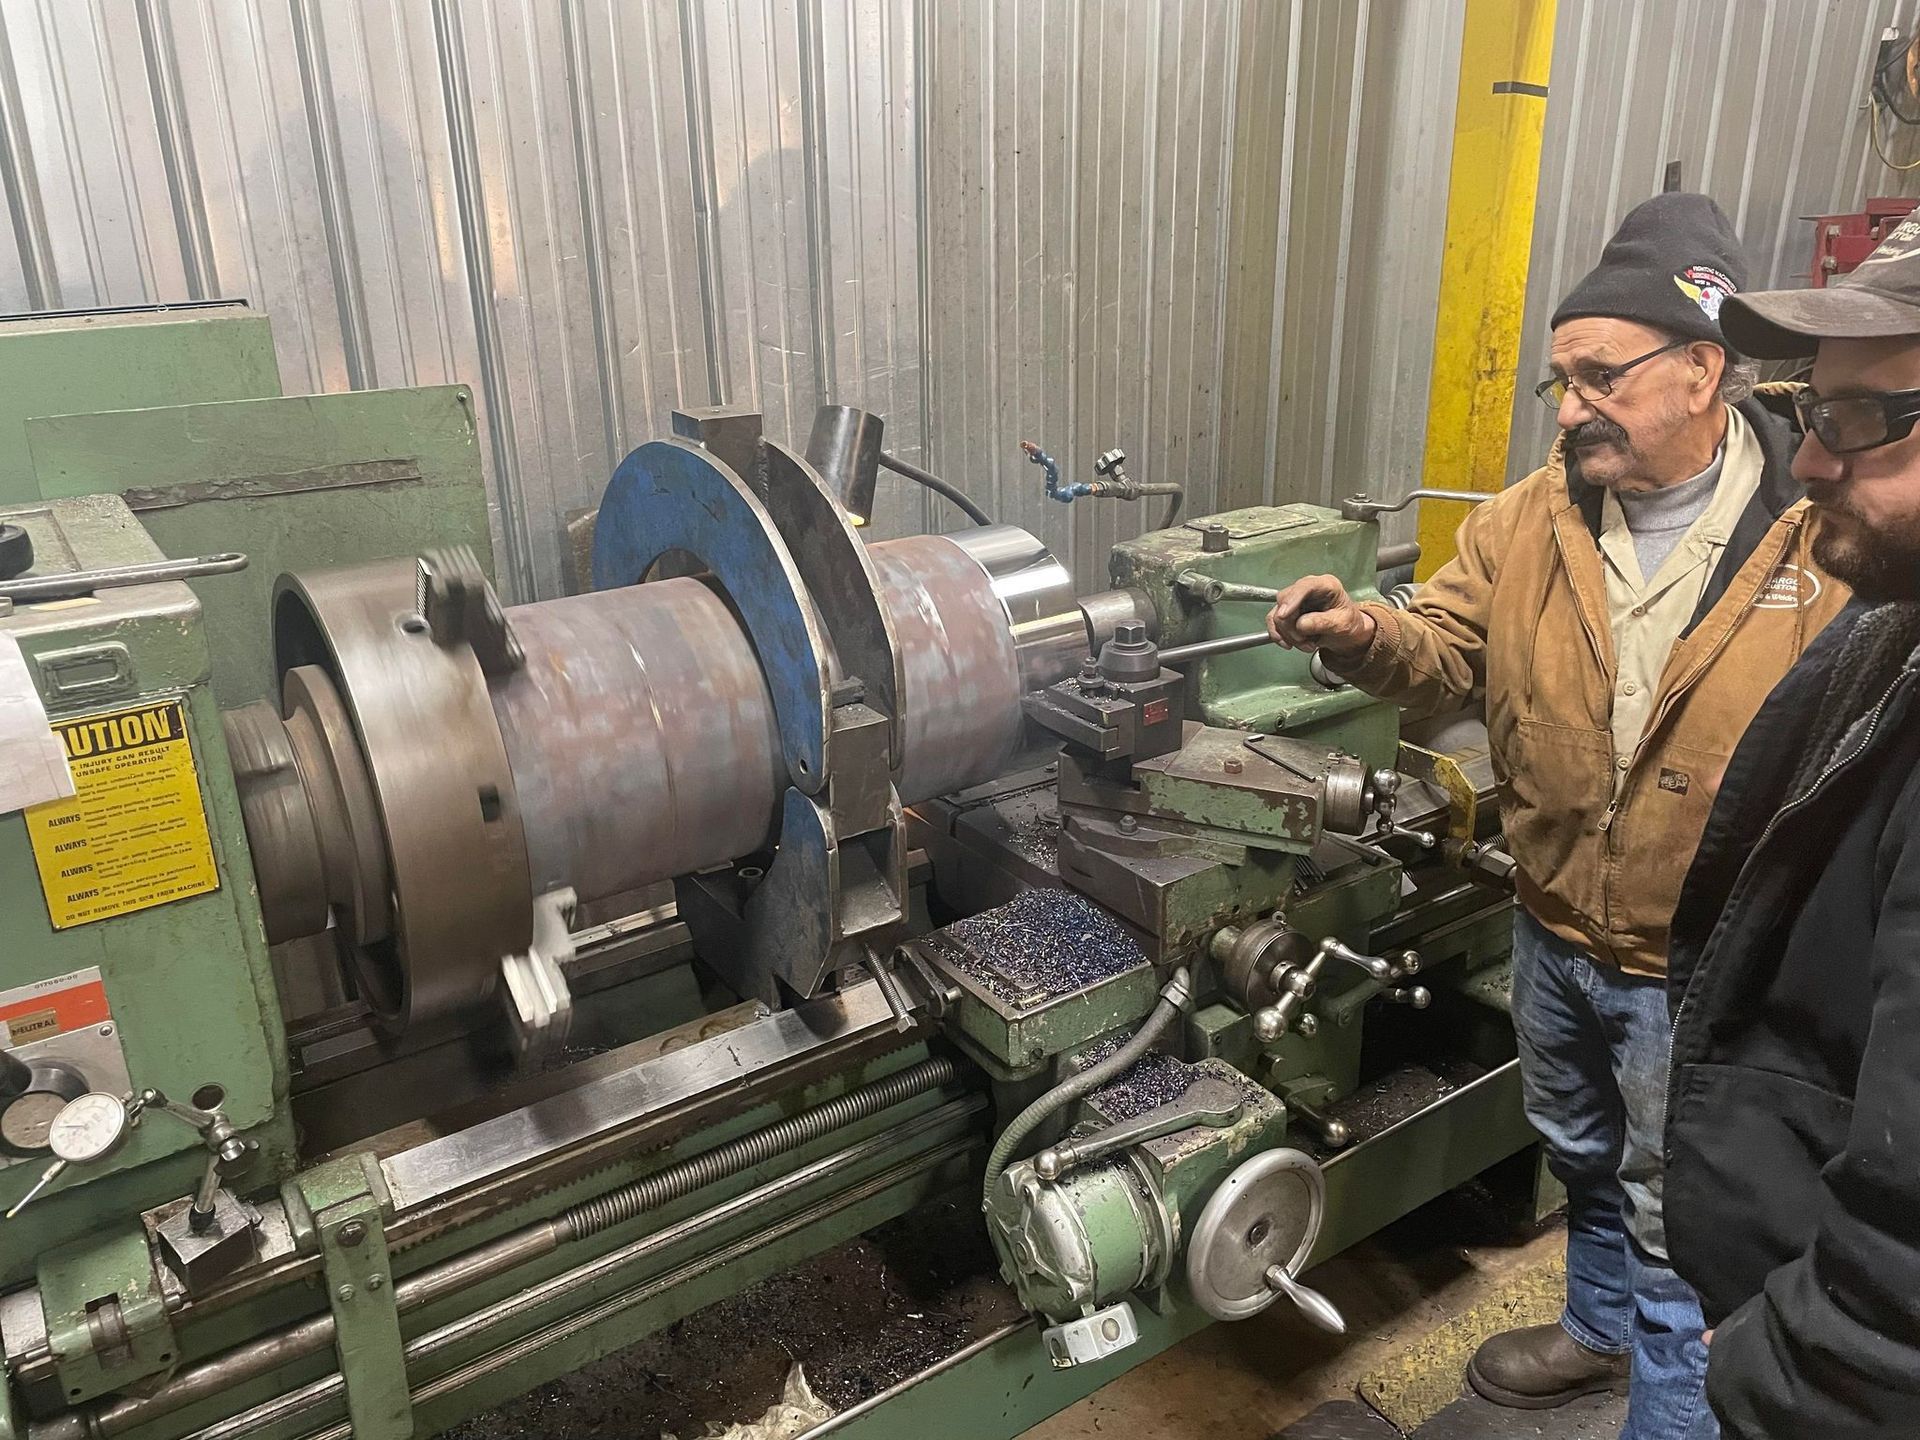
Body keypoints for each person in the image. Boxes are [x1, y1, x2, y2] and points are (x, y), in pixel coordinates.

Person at [1264, 193, 1848, 1440]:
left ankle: (1671, 1417)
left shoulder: (1823, 527)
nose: (1573, 405)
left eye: (1600, 376)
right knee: (1581, 1149)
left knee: (1679, 1212)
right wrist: (1365, 631)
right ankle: (1594, 1335)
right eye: (1560, 381)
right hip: (1555, 923)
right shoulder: (1534, 517)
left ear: (1703, 371)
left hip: (1704, 961)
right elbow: (1451, 646)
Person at [1663, 215, 1920, 1440]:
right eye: (1810, 410)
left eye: (1865, 420)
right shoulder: (1894, 627)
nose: (1811, 461)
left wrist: (1786, 1367)